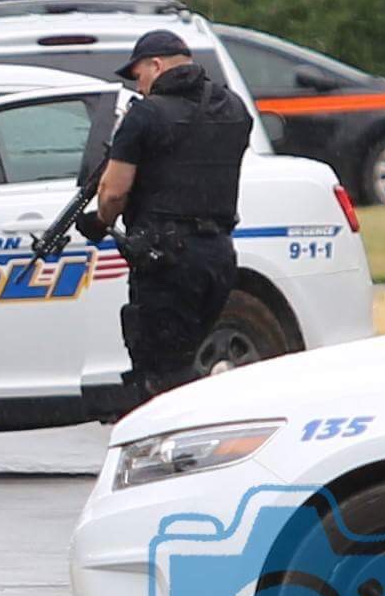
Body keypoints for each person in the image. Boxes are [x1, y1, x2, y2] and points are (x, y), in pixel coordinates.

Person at [77, 30, 253, 402]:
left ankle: (173, 454)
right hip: (219, 256)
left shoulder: (146, 116)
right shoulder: (234, 107)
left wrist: (100, 221)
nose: (139, 86)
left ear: (156, 65)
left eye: (138, 75)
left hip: (167, 260)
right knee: (188, 360)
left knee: (160, 375)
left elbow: (113, 191)